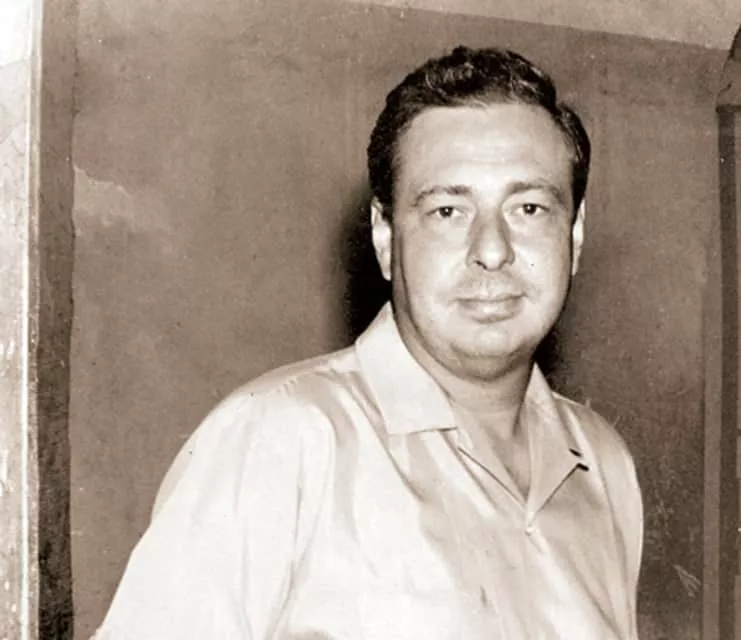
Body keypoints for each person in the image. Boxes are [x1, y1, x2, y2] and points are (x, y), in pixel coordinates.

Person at [95, 46, 642, 639]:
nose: (492, 250)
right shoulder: (282, 439)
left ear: (574, 235)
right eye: (448, 211)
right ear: (385, 237)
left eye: (529, 208)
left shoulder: (602, 464)